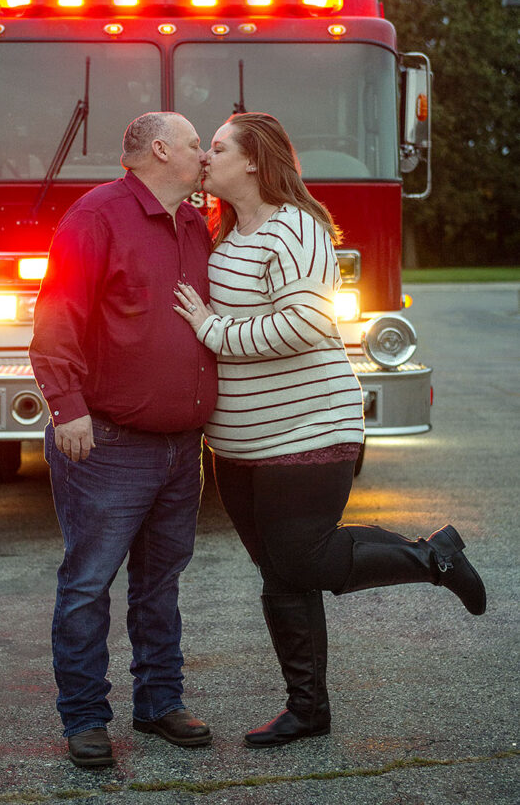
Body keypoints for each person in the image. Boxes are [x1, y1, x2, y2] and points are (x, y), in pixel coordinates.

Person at [173, 112, 486, 749]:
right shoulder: (228, 236)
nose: (207, 156)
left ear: (255, 161)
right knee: (281, 572)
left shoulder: (298, 230)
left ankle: (434, 559)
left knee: (301, 557)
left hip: (308, 429)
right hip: (237, 443)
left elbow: (305, 325)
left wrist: (211, 330)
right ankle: (307, 711)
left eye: (218, 146)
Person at [29, 111, 218, 768]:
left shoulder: (195, 224)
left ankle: (160, 703)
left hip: (179, 447)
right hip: (107, 444)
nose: (205, 154)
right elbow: (57, 311)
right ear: (161, 149)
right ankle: (85, 720)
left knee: (159, 586)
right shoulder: (97, 216)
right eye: (198, 144)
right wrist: (67, 404)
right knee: (88, 584)